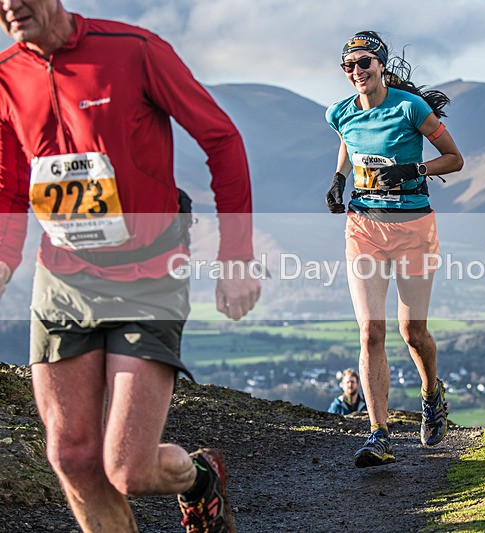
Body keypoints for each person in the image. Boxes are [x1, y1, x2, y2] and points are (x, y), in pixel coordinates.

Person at [0, 2, 261, 531]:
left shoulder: (135, 51)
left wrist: (234, 257)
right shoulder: (7, 78)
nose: (9, 4)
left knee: (128, 469)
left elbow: (222, 139)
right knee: (73, 457)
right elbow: (8, 186)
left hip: (149, 276)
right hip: (63, 280)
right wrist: (4, 261)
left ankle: (202, 478)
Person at [325, 31, 463, 467]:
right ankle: (378, 434)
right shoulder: (339, 113)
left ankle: (430, 395)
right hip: (363, 227)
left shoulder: (410, 108)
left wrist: (413, 168)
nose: (356, 72)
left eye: (364, 63)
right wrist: (339, 179)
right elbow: (349, 140)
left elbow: (454, 158)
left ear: (380, 64)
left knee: (412, 332)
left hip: (413, 229)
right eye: (348, 65)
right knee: (370, 331)